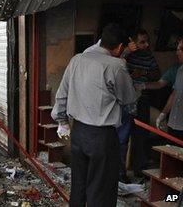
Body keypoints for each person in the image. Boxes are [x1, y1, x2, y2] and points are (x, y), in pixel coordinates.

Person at [51, 23, 137, 207]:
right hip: (102, 137)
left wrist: (62, 120)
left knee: (79, 186)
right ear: (120, 47)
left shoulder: (77, 60)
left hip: (78, 133)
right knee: (101, 189)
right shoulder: (116, 66)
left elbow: (62, 94)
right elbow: (128, 98)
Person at [123, 29, 160, 178]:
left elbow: (157, 74)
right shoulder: (126, 54)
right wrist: (126, 52)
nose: (146, 45)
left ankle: (139, 168)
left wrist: (143, 73)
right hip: (126, 100)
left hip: (142, 100)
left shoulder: (148, 55)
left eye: (147, 41)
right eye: (142, 42)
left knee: (141, 134)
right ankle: (120, 171)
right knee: (123, 136)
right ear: (133, 42)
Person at [156, 40, 183, 140]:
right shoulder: (180, 71)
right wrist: (164, 113)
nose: (177, 53)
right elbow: (175, 93)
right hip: (173, 124)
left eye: (179, 50)